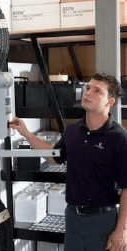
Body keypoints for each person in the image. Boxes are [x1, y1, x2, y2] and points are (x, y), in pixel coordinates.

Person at [9, 72, 127, 251]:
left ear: (110, 102)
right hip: (72, 217)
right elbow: (54, 156)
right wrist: (26, 133)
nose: (88, 93)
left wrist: (121, 229)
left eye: (97, 91)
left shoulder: (118, 138)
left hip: (103, 220)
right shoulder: (72, 130)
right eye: (88, 88)